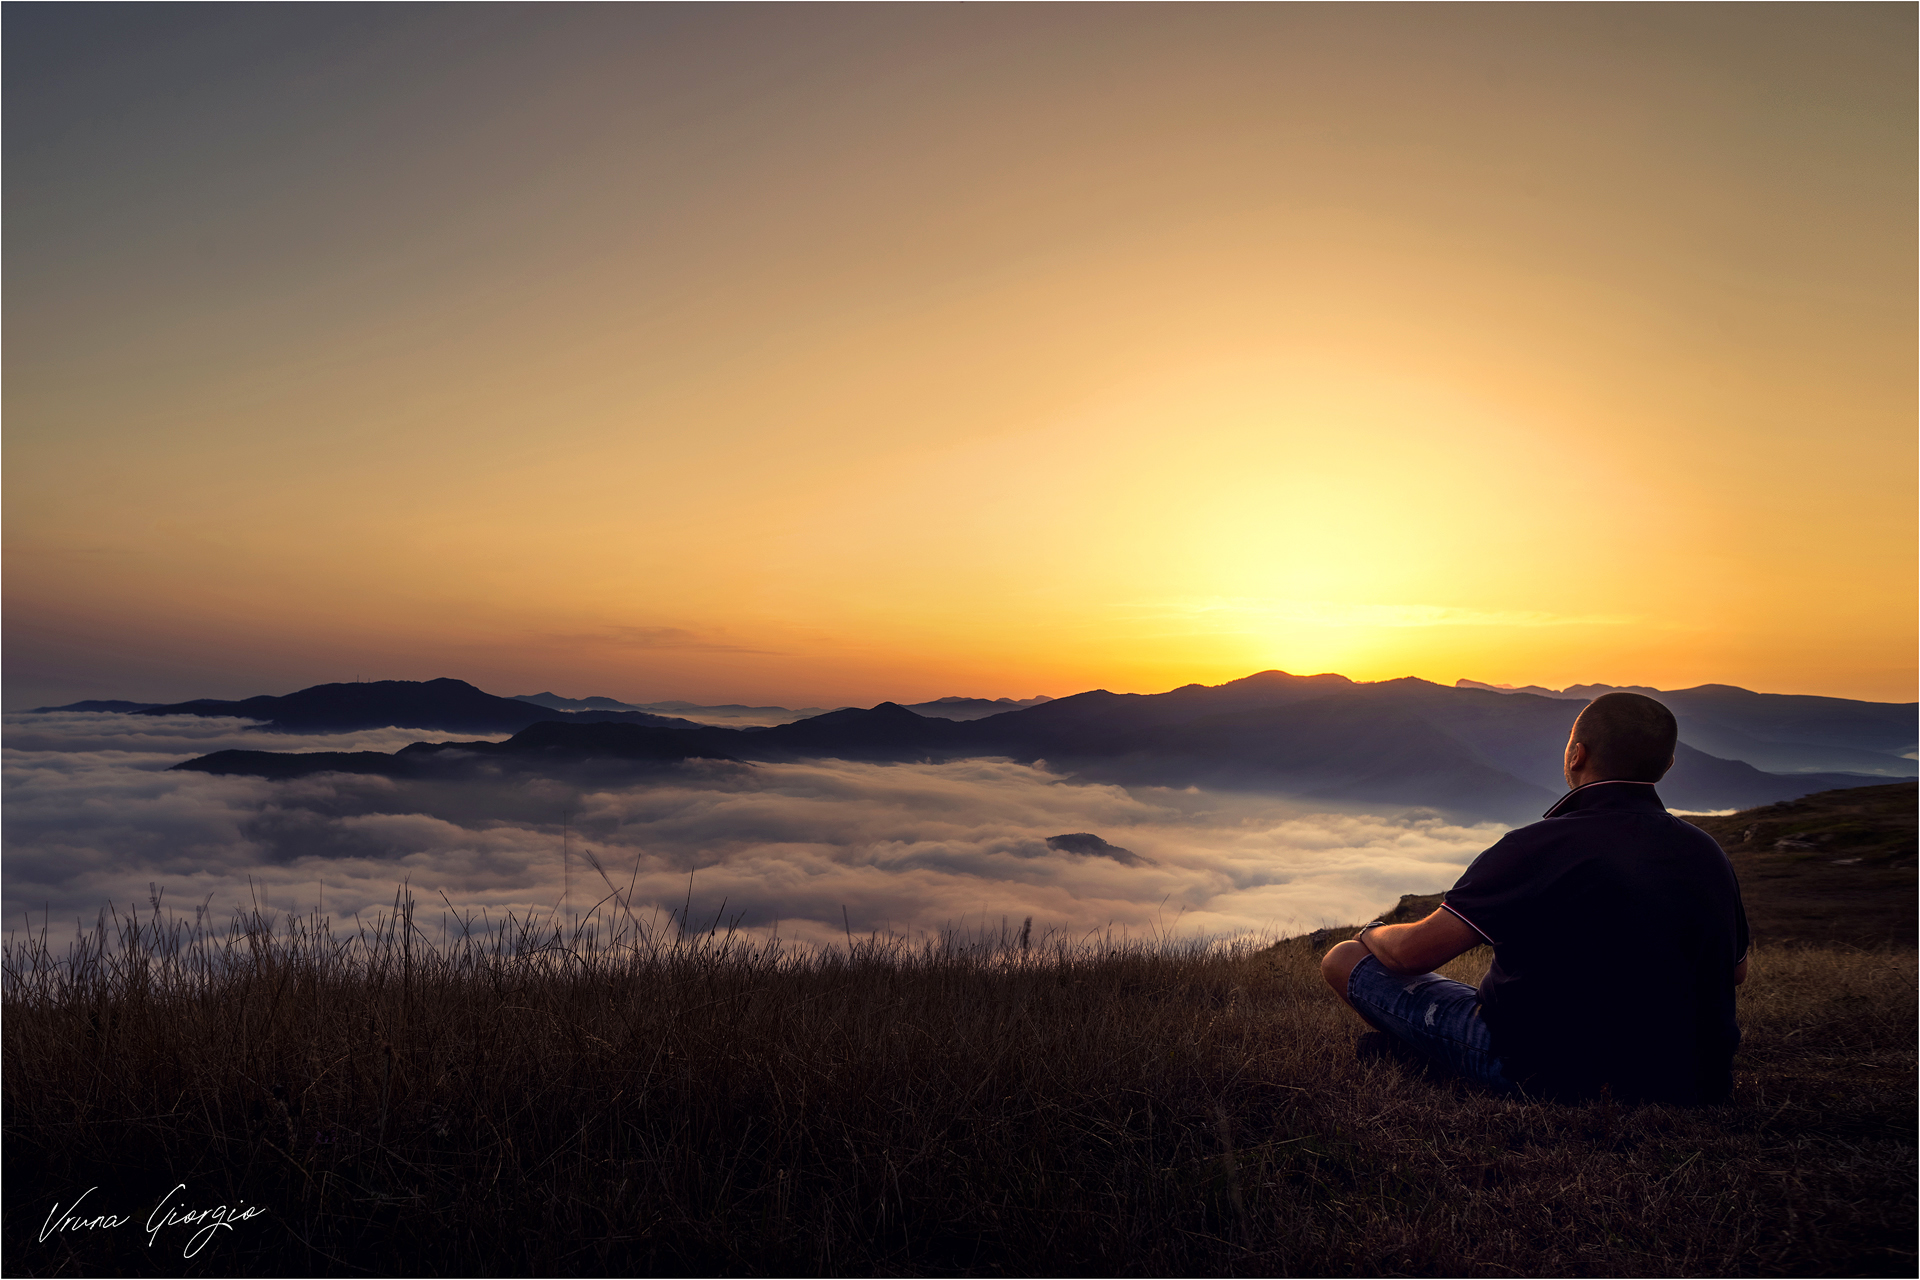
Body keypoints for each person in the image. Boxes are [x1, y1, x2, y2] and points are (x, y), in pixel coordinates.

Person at [1319, 691, 1750, 1105]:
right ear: (1667, 764)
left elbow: (1412, 955)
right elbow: (1735, 973)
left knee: (1343, 957)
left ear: (1576, 754)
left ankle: (1436, 1058)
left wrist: (1373, 933)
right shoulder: (1706, 850)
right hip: (1695, 1079)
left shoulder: (1535, 846)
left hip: (1547, 1071)